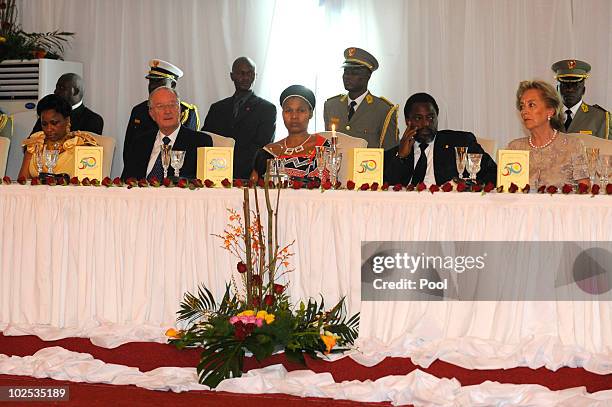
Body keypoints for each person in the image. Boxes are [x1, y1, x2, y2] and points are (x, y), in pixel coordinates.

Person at [384, 92, 497, 186]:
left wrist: (470, 185)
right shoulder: (394, 154)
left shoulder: (461, 142)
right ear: (408, 121)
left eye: (430, 117)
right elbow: (386, 186)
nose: (426, 123)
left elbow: (493, 173)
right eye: (418, 118)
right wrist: (401, 157)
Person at [202, 57, 276, 180]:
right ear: (232, 76)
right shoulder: (217, 108)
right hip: (215, 173)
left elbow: (263, 146)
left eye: (250, 73)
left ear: (255, 76)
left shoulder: (267, 109)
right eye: (240, 73)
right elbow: (206, 139)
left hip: (250, 175)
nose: (245, 77)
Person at [507, 80, 589, 187]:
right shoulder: (514, 148)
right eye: (522, 106)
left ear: (550, 111)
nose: (524, 111)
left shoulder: (573, 145)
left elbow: (585, 190)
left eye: (531, 105)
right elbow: (506, 191)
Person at [121, 86, 212, 180]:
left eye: (172, 105)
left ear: (180, 109)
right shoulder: (139, 143)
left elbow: (201, 181)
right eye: (160, 106)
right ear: (152, 114)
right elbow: (126, 180)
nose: (167, 111)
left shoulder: (200, 142)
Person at [123, 59, 200, 164]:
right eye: (151, 82)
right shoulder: (139, 111)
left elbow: (191, 150)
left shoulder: (186, 112)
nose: (153, 86)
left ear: (173, 85)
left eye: (159, 82)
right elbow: (129, 151)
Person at [324, 47, 399, 150]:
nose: (347, 76)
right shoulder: (331, 106)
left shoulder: (383, 110)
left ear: (368, 76)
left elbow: (390, 152)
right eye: (346, 71)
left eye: (354, 73)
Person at [251, 85, 329, 182]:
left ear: (311, 113)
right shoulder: (268, 151)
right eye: (288, 110)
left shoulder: (322, 147)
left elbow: (324, 187)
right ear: (282, 113)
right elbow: (254, 189)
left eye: (301, 110)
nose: (294, 116)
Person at [19, 94, 98, 179]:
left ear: (67, 120)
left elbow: (89, 185)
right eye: (44, 124)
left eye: (54, 123)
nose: (49, 129)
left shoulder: (80, 145)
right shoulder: (35, 144)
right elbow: (22, 182)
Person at [552, 59, 610, 140]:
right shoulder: (547, 115)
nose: (570, 90)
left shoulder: (599, 117)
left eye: (575, 86)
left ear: (583, 90)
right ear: (557, 89)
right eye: (565, 85)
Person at [31, 73, 104, 135]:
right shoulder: (48, 114)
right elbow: (28, 145)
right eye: (56, 87)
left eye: (61, 88)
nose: (56, 91)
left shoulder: (93, 119)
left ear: (75, 91)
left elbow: (87, 149)